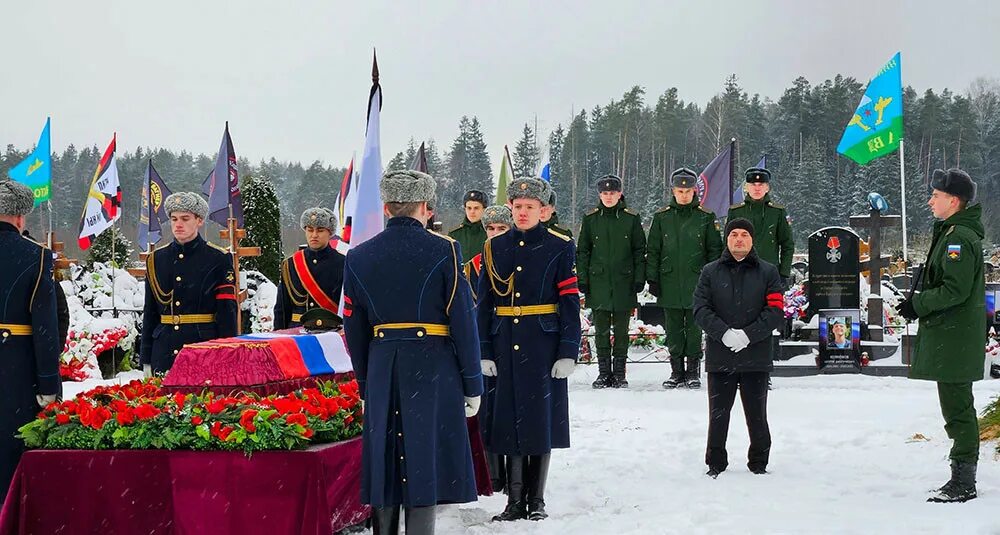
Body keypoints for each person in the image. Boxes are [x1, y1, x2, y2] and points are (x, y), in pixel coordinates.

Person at [342, 169, 483, 534]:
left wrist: (363, 381)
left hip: (382, 363)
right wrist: (472, 383)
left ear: (387, 206)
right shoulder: (446, 249)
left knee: (384, 463)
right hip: (432, 364)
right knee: (423, 462)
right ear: (425, 206)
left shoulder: (358, 256)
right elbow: (463, 322)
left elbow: (354, 329)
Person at [478, 177, 581, 522]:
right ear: (510, 208)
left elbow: (569, 301)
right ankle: (513, 500)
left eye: (530, 207)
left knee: (540, 421)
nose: (522, 213)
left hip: (543, 343)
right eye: (517, 207)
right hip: (504, 338)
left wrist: (568, 349)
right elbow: (484, 304)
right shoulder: (494, 247)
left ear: (544, 210)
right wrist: (484, 350)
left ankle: (536, 499)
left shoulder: (559, 246)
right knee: (507, 420)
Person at [896, 168, 985, 503]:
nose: (931, 200)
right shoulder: (953, 232)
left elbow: (955, 289)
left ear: (954, 200)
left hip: (954, 336)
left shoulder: (958, 238)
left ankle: (964, 481)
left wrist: (918, 304)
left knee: (958, 408)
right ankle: (960, 476)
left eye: (936, 195)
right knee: (956, 406)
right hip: (952, 335)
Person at [693, 218, 784, 478]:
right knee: (718, 414)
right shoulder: (710, 272)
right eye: (734, 234)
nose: (739, 239)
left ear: (752, 239)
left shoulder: (768, 272)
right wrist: (723, 334)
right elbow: (700, 308)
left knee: (757, 414)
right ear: (727, 239)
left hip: (755, 355)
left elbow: (775, 309)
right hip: (721, 354)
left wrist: (748, 335)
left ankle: (759, 462)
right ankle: (716, 462)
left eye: (745, 234)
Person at [0, 181, 61, 501]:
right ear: (21, 218)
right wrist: (48, 383)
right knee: (15, 455)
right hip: (17, 372)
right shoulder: (37, 257)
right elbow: (45, 327)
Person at [140, 192, 238, 376]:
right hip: (163, 351)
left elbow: (227, 312)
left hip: (203, 350)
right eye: (174, 219)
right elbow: (150, 311)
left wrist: (228, 354)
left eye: (185, 219)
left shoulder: (218, 259)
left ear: (199, 221)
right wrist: (146, 358)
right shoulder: (156, 260)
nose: (178, 224)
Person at [646, 168, 723, 389]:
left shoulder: (705, 217)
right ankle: (676, 372)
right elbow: (654, 250)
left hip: (696, 283)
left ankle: (692, 372)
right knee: (673, 330)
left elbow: (714, 251)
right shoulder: (662, 217)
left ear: (694, 191)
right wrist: (653, 279)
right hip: (669, 282)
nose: (684, 195)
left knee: (693, 328)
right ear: (673, 191)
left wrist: (712, 281)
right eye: (680, 191)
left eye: (688, 191)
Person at [577, 174, 646, 388]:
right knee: (602, 331)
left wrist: (639, 278)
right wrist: (583, 279)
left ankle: (619, 373)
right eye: (605, 193)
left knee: (622, 331)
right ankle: (603, 372)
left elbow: (639, 250)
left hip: (624, 282)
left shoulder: (631, 219)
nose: (608, 197)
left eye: (612, 193)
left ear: (619, 194)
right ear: (600, 195)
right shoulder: (590, 219)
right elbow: (583, 252)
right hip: (598, 283)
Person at [463, 204, 512, 494]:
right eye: (490, 229)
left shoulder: (519, 262)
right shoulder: (470, 268)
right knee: (486, 410)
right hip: (481, 345)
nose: (494, 234)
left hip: (513, 341)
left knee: (510, 408)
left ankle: (514, 474)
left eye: (501, 229)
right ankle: (492, 474)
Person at [274, 207, 346, 330]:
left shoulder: (343, 263)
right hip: (297, 333)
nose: (314, 235)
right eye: (310, 230)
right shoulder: (290, 264)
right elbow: (282, 309)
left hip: (331, 331)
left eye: (320, 230)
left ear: (330, 232)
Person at [727, 168, 794, 285]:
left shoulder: (777, 212)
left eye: (761, 184)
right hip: (740, 272)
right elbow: (727, 244)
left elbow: (787, 244)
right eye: (753, 184)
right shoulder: (736, 212)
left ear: (767, 187)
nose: (757, 188)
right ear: (746, 187)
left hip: (770, 273)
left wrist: (783, 273)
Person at [448, 189, 488, 263]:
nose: (472, 212)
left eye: (476, 208)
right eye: (469, 208)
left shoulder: (490, 233)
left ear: (484, 209)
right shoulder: (454, 234)